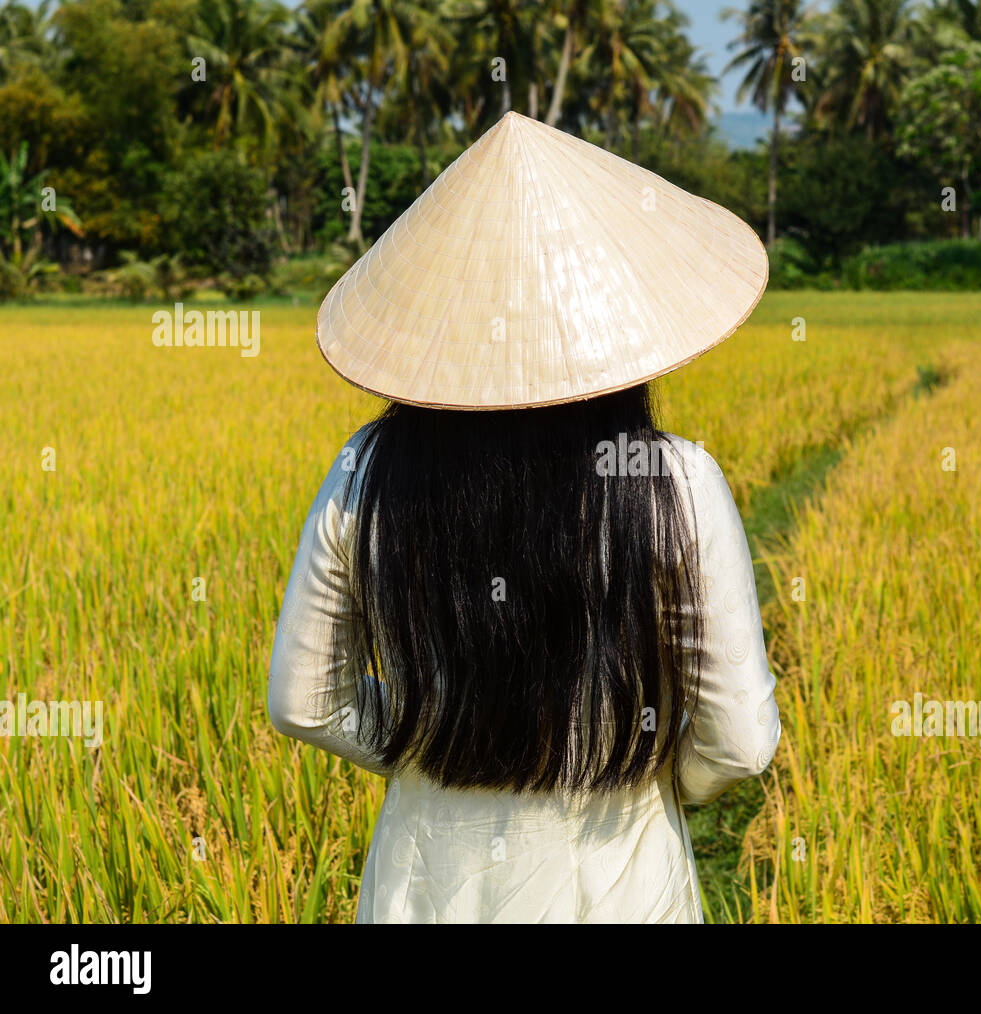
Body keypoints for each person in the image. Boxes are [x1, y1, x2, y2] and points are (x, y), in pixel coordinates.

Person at [268, 111, 779, 923]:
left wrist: (430, 734)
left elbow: (303, 700)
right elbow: (741, 741)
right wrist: (647, 767)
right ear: (616, 316)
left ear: (431, 327)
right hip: (621, 887)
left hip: (422, 889)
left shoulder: (365, 475)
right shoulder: (673, 481)